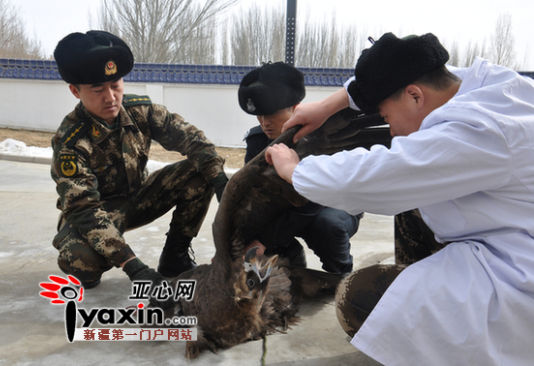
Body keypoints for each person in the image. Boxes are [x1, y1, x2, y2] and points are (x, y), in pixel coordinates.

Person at [266, 32, 534, 365]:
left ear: (414, 96)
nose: (390, 129)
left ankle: (432, 332)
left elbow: (373, 176)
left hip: (518, 275)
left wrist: (295, 170)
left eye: (388, 117)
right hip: (510, 228)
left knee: (361, 299)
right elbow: (422, 69)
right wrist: (330, 104)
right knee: (414, 207)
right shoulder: (495, 86)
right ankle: (425, 292)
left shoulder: (479, 131)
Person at [51, 30, 228, 289]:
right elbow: (84, 210)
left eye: (115, 85)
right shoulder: (71, 141)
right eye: (98, 89)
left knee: (200, 171)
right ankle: (88, 256)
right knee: (82, 266)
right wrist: (135, 267)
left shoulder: (141, 111)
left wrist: (223, 186)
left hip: (140, 196)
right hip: (96, 212)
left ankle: (175, 256)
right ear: (75, 91)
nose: (110, 97)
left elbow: (194, 141)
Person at [238, 61, 361, 274]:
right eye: (260, 116)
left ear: (294, 108)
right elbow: (255, 195)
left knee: (327, 224)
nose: (265, 122)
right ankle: (288, 258)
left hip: (329, 204)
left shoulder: (321, 135)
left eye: (271, 114)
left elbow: (312, 203)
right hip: (290, 206)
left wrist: (266, 239)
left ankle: (340, 273)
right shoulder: (258, 141)